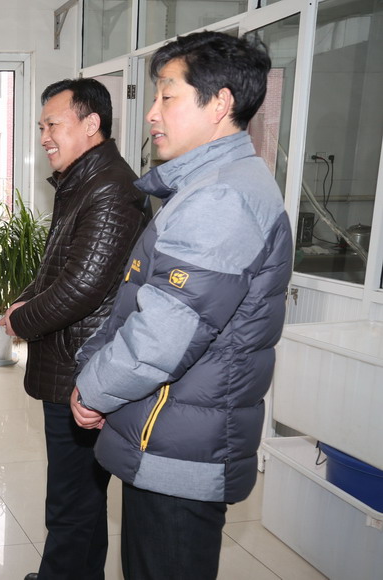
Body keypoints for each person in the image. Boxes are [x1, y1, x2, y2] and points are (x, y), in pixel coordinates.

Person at [72, 31, 293, 579]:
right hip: (173, 432)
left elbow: (160, 337)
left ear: (219, 103)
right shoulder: (215, 184)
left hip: (178, 448)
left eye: (167, 96)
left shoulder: (221, 198)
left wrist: (93, 386)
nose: (152, 113)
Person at [0, 78, 147, 580]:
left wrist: (22, 319)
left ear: (91, 124)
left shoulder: (111, 188)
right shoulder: (83, 180)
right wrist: (23, 299)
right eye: (41, 126)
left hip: (84, 366)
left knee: (71, 497)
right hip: (73, 360)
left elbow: (82, 286)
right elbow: (58, 267)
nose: (44, 136)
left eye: (53, 124)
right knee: (81, 495)